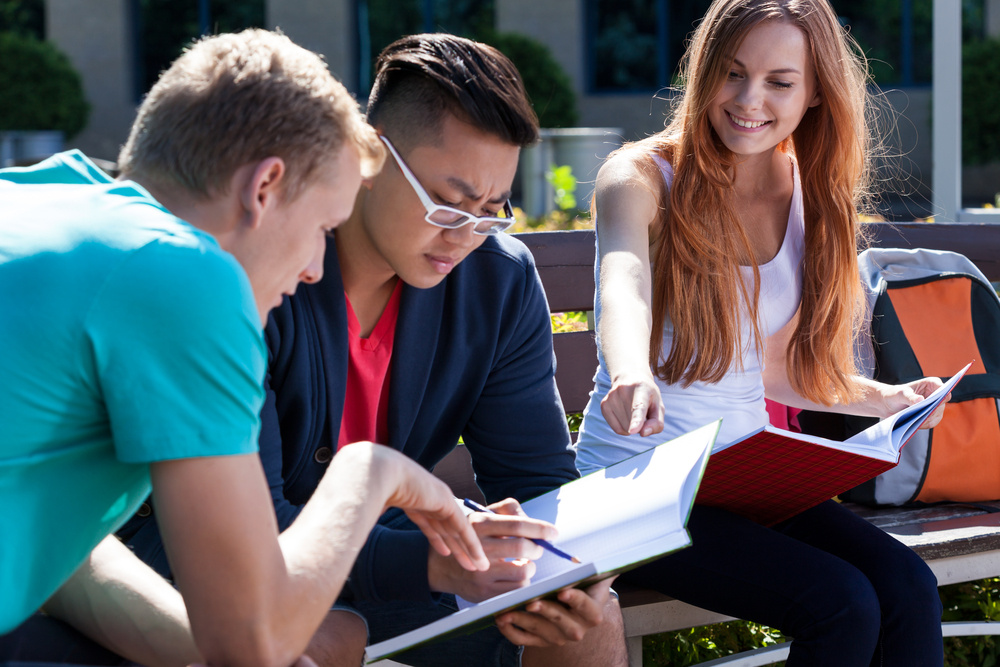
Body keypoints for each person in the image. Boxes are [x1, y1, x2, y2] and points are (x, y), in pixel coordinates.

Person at [120, 33, 628, 667]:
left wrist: (561, 565)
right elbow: (258, 532)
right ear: (373, 152)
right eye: (447, 205)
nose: (467, 236)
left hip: (398, 567)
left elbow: (535, 480)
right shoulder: (270, 266)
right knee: (323, 642)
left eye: (492, 211)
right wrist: (437, 562)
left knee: (582, 620)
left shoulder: (496, 278)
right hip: (220, 568)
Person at [0, 29, 487, 667]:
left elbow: (65, 556)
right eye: (324, 228)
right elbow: (251, 644)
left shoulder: (42, 198)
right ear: (264, 187)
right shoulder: (181, 274)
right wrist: (372, 473)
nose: (318, 267)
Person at [574, 1, 947, 665]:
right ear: (705, 71)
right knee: (841, 601)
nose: (750, 99)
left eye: (780, 81)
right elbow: (621, 285)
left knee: (909, 587)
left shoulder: (806, 189)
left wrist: (887, 402)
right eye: (733, 73)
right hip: (641, 492)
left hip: (742, 481)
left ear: (813, 95)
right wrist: (631, 370)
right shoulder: (637, 177)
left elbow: (773, 370)